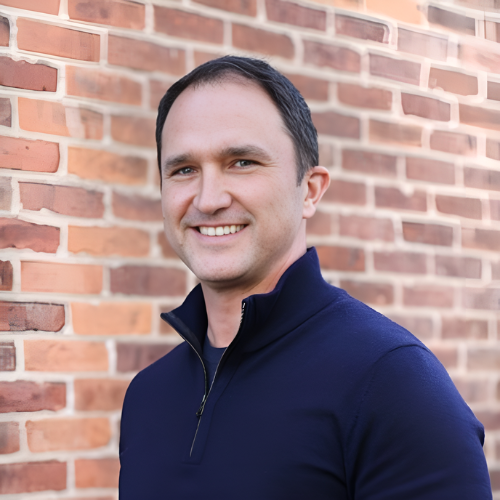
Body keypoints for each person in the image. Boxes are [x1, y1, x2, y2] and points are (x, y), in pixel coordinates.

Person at [118, 56, 491, 499]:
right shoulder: (147, 396)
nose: (208, 199)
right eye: (184, 170)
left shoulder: (391, 381)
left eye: (242, 162)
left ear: (310, 190)